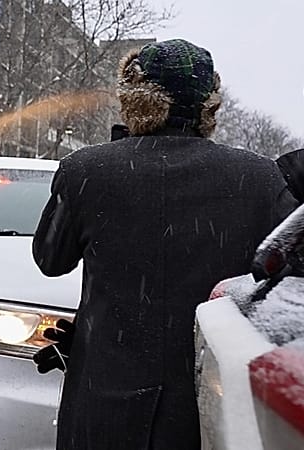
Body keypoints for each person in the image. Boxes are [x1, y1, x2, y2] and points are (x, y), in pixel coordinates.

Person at [32, 39, 297, 450]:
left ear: (135, 101)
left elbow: (49, 258)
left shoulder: (88, 170)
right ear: (209, 107)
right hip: (203, 409)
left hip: (103, 405)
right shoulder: (259, 178)